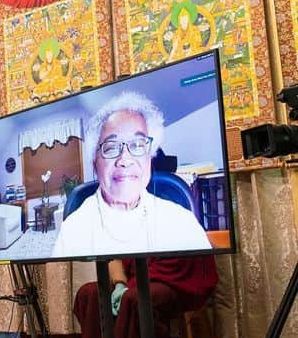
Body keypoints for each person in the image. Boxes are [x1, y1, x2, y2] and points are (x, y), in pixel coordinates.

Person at [51, 92, 211, 258]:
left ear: (150, 157)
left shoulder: (181, 221)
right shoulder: (73, 231)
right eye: (111, 147)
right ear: (95, 165)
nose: (125, 159)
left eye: (137, 145)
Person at [75, 257, 217, 338]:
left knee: (139, 298)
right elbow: (115, 257)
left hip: (175, 277)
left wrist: (130, 287)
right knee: (89, 293)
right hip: (136, 278)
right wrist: (120, 283)